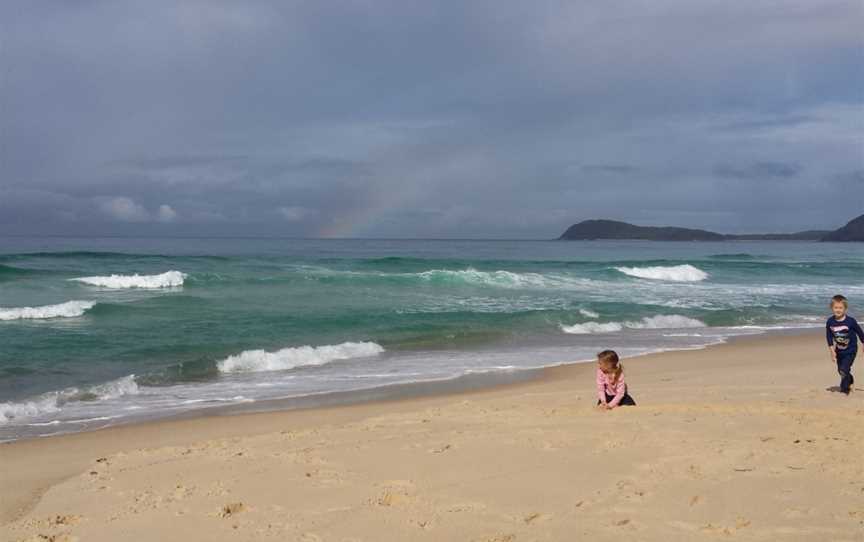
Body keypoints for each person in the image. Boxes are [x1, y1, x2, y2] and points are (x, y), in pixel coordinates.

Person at [825, 294, 864, 395]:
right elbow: (829, 336)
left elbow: (860, 333)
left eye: (840, 308)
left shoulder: (850, 321)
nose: (838, 310)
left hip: (851, 349)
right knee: (840, 370)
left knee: (844, 369)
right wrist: (832, 351)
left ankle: (845, 389)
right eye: (835, 307)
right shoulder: (830, 322)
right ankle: (850, 380)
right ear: (832, 308)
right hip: (839, 350)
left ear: (845, 308)